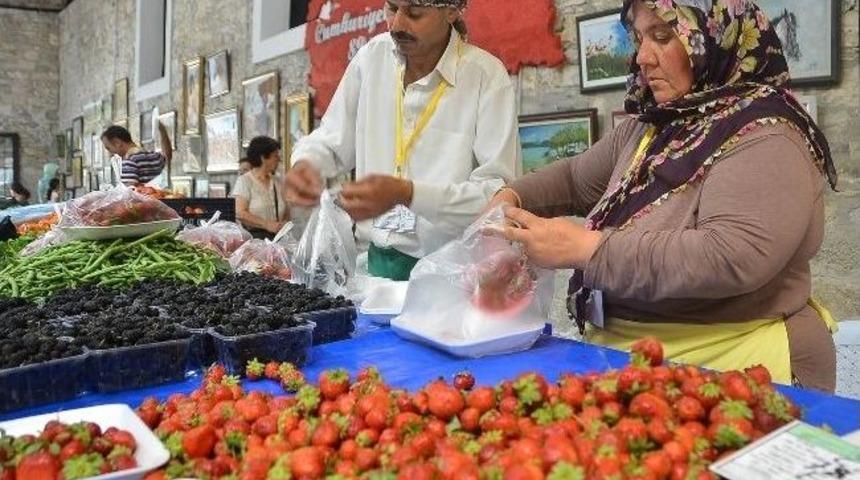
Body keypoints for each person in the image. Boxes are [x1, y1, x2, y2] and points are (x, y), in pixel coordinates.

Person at [489, 0, 839, 392]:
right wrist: (511, 195)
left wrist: (587, 249)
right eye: (639, 39)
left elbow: (731, 255)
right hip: (636, 358)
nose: (643, 58)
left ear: (715, 38)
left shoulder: (767, 134)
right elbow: (574, 178)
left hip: (734, 363)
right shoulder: (653, 127)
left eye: (662, 37)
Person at [285, 0, 520, 281]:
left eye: (414, 13)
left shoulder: (485, 75)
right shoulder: (372, 58)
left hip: (452, 277)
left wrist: (410, 194)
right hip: (372, 271)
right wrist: (307, 163)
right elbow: (332, 140)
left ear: (452, 11)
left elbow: (498, 195)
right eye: (392, 8)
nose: (397, 25)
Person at [233, 136, 290, 239]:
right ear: (263, 157)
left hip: (278, 240)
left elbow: (287, 212)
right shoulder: (245, 181)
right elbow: (240, 212)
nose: (279, 160)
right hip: (254, 241)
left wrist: (283, 224)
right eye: (275, 156)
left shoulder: (278, 182)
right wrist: (266, 224)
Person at [101, 124, 172, 187]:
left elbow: (129, 193)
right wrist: (163, 131)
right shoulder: (153, 156)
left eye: (108, 148)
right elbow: (167, 154)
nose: (110, 154)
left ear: (117, 143)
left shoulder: (129, 161)